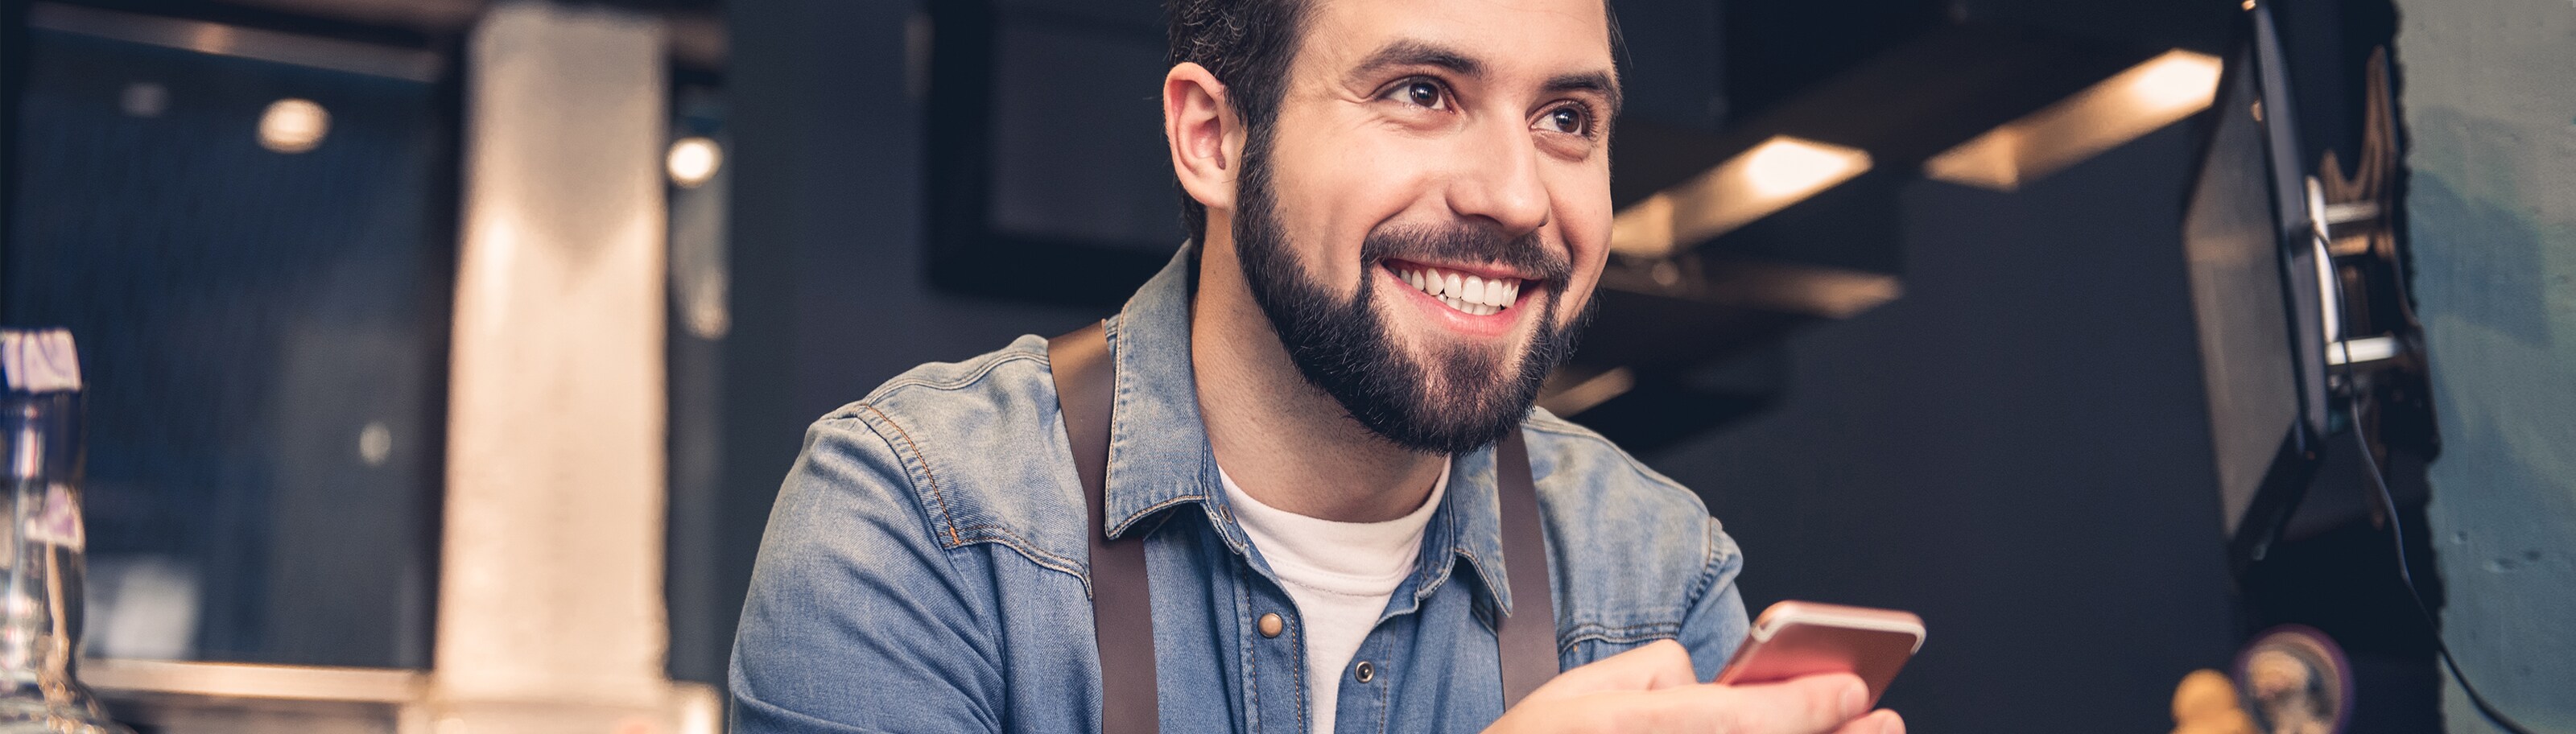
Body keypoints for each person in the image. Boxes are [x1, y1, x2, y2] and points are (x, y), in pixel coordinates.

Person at [729, 0, 1905, 732]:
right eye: (1420, 92)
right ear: (1213, 136)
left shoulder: (1652, 572)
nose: (1513, 194)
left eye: (1565, 120)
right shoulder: (918, 523)